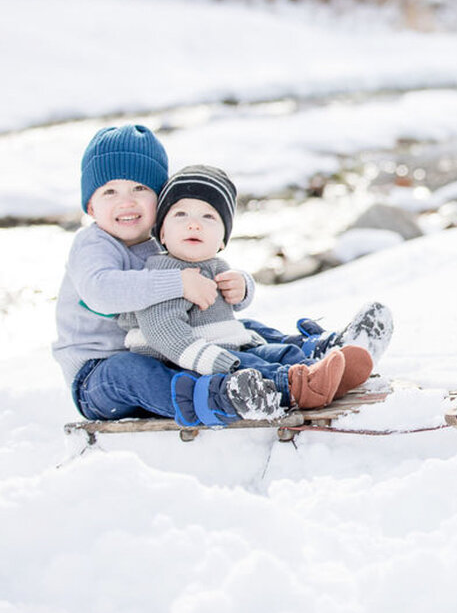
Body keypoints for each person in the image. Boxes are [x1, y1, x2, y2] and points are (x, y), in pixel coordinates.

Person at [52, 123, 392, 427]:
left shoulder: (166, 238)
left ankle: (318, 358)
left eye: (139, 189)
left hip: (166, 349)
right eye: (110, 192)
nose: (125, 202)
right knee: (129, 372)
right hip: (100, 375)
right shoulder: (93, 245)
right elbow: (101, 290)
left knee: (239, 328)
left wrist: (239, 287)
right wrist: (178, 282)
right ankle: (228, 396)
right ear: (91, 207)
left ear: (161, 199)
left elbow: (210, 287)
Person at [118, 164, 390, 420]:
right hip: (186, 361)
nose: (194, 224)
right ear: (161, 234)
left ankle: (324, 370)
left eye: (208, 216)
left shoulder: (213, 266)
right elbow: (162, 330)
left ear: (223, 240)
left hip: (228, 344)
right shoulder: (162, 274)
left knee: (278, 354)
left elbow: (231, 305)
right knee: (255, 367)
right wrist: (213, 360)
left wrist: (243, 286)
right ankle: (302, 387)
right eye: (180, 214)